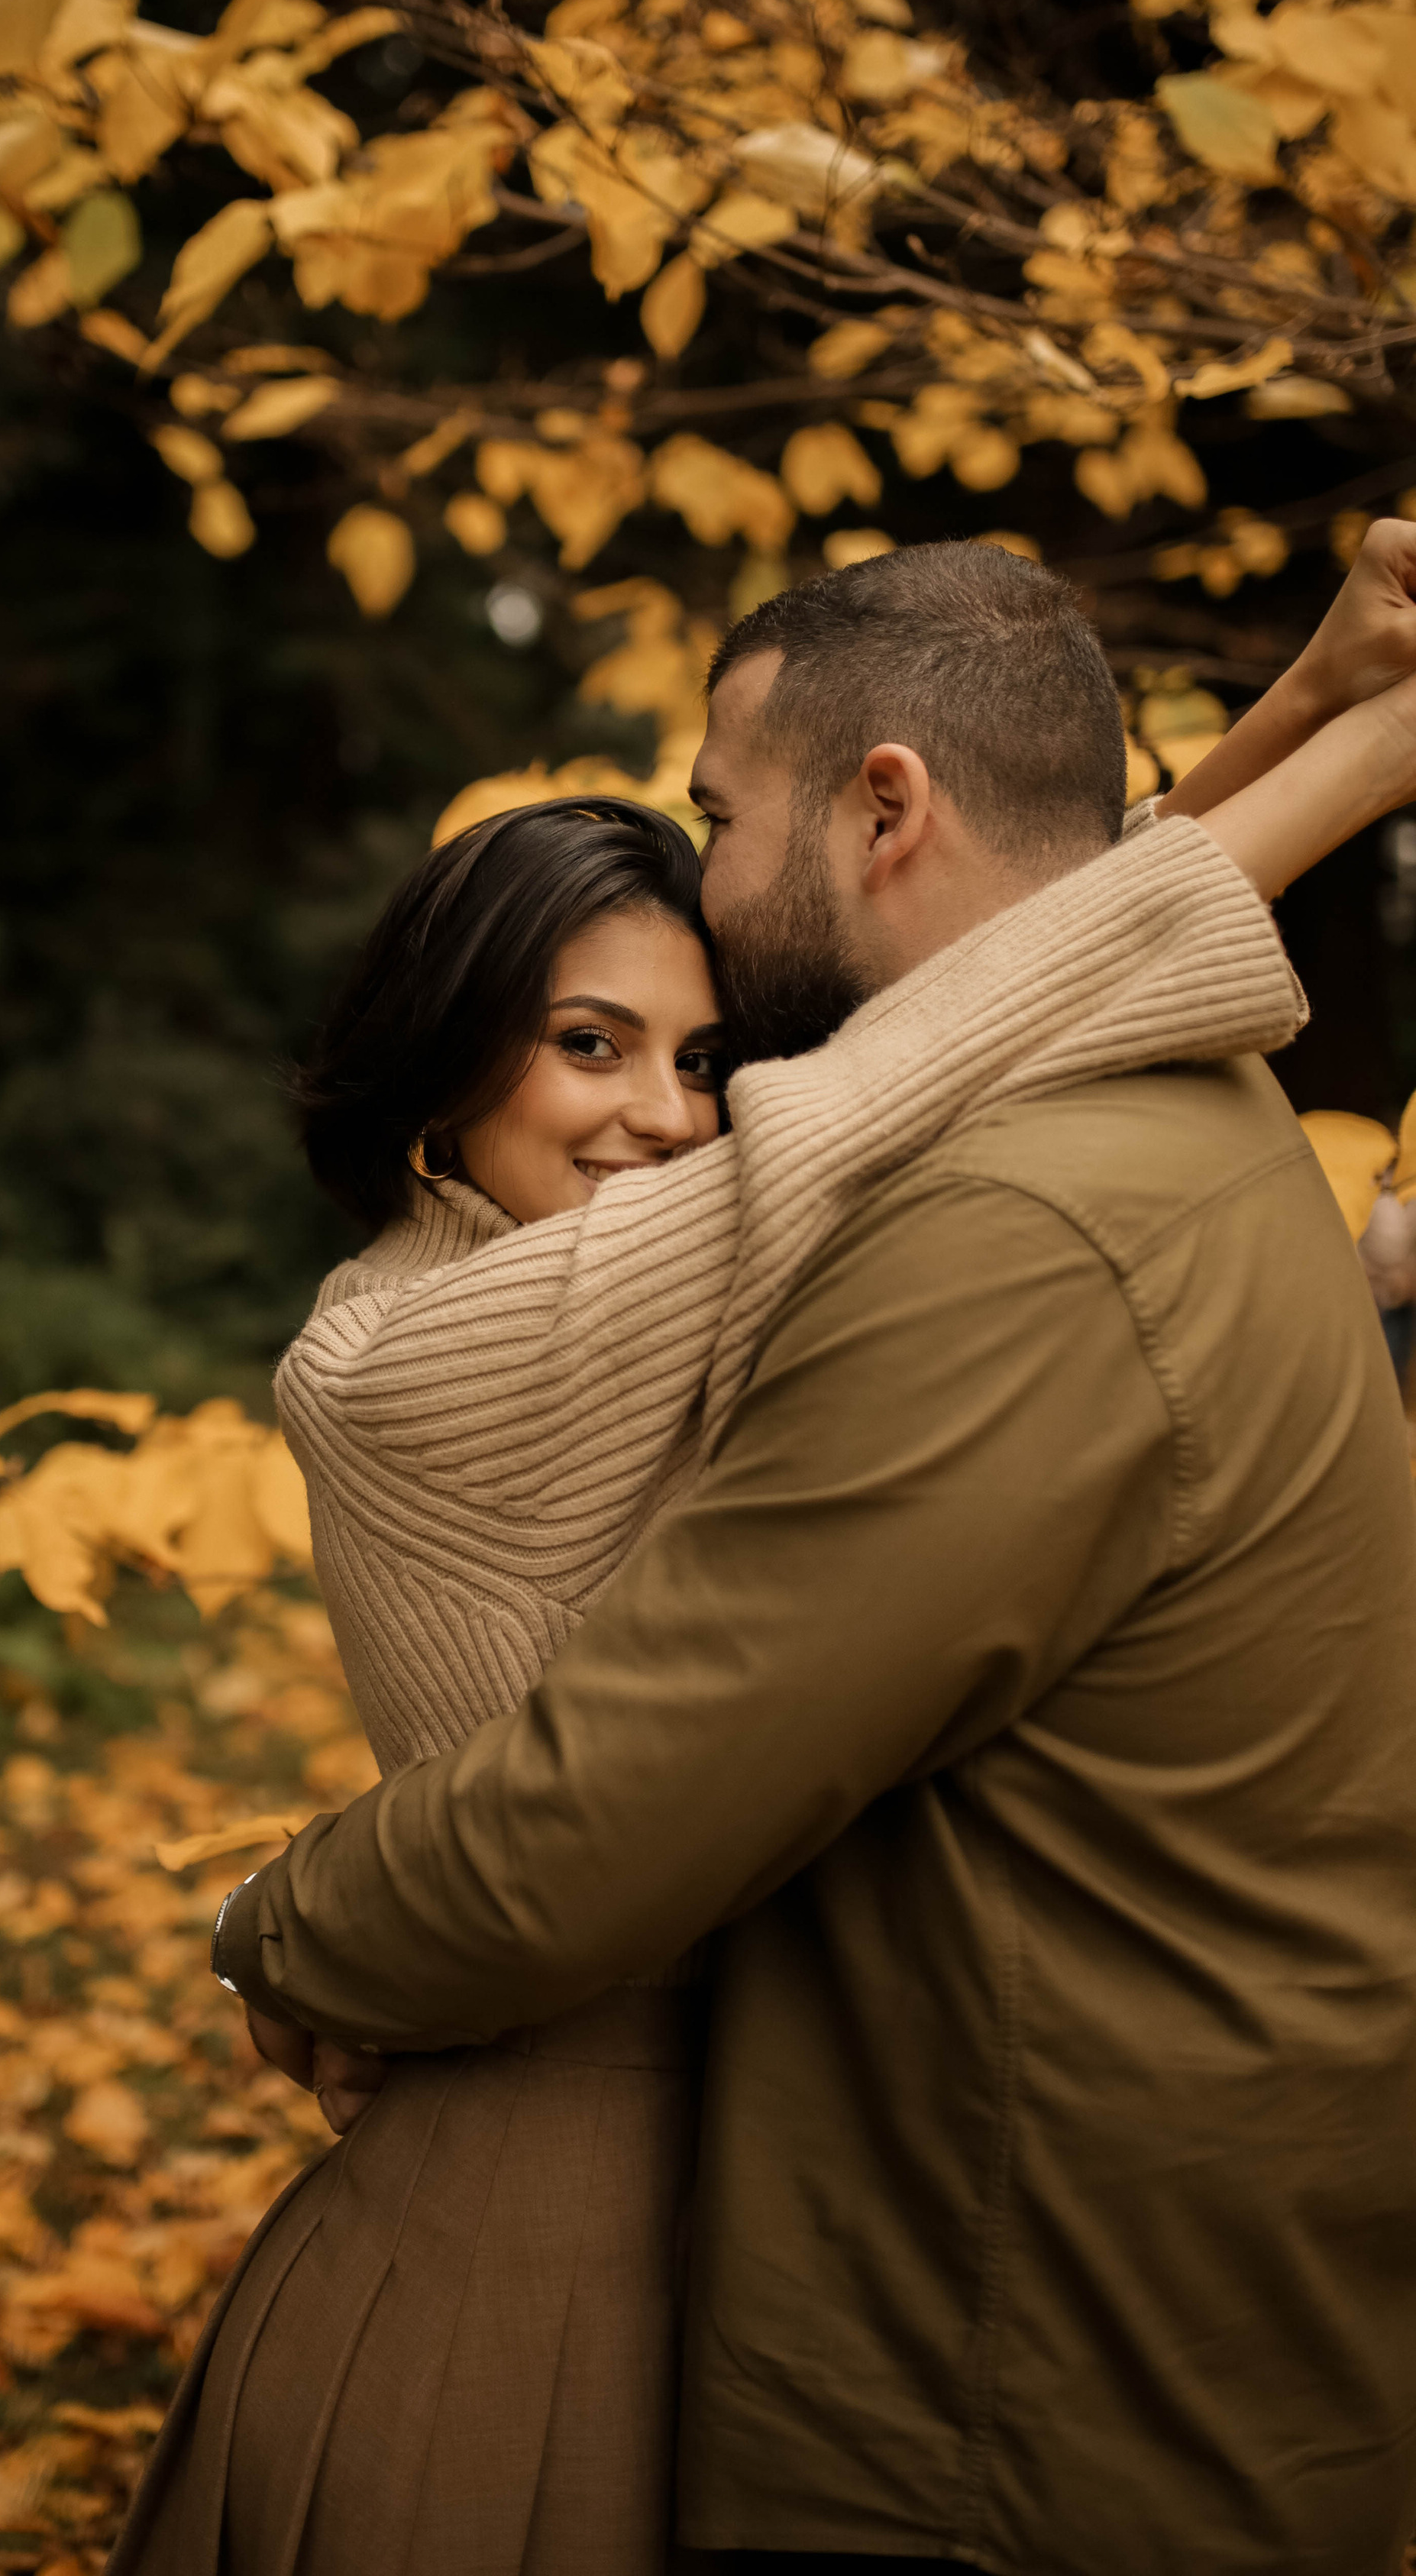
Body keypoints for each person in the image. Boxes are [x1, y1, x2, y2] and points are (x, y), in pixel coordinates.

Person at [121, 530, 1416, 2576]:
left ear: (883, 807)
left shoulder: (936, 1214)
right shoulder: (422, 1341)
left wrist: (1322, 710)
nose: (674, 1111)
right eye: (586, 1043)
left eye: (703, 1055)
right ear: (441, 1077)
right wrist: (1350, 753)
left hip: (777, 2204)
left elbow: (1002, 984)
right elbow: (982, 1010)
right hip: (536, 2212)